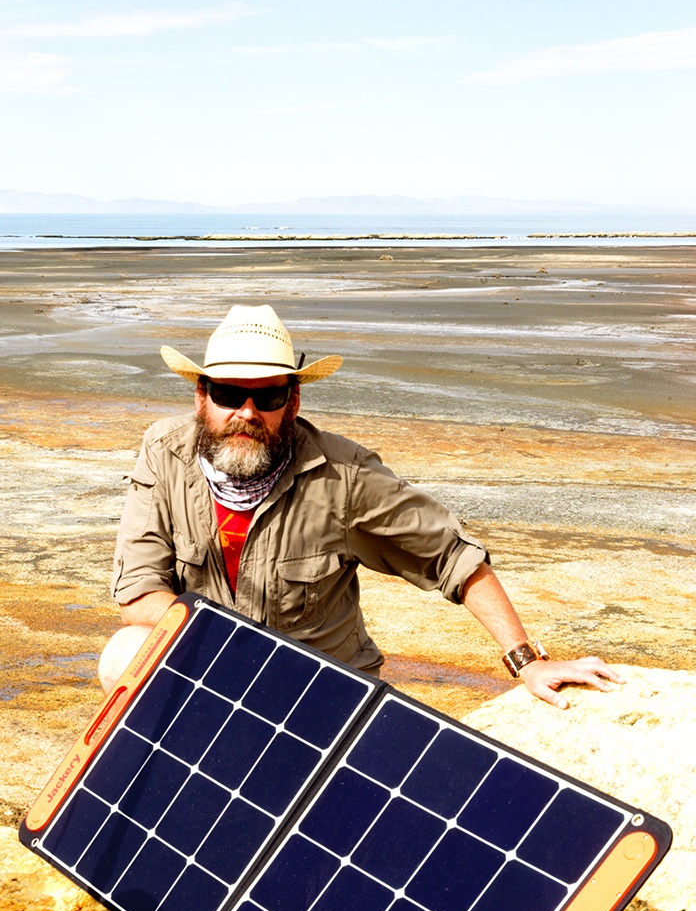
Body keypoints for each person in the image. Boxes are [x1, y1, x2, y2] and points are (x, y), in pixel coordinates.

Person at [100, 303, 622, 709]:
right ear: (201, 396)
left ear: (295, 400)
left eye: (269, 397)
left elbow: (453, 558)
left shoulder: (346, 475)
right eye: (229, 394)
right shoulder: (163, 452)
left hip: (319, 690)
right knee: (123, 653)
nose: (248, 412)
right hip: (214, 671)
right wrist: (239, 664)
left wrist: (526, 660)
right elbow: (140, 594)